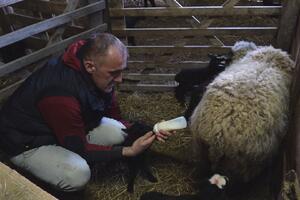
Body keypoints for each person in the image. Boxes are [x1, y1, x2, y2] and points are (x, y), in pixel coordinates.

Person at [0, 33, 172, 192]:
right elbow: (77, 147)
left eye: (122, 70)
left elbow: (113, 112)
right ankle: (35, 173)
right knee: (78, 174)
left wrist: (151, 129)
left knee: (118, 130)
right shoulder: (61, 94)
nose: (120, 79)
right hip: (27, 142)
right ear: (90, 66)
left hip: (61, 128)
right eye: (114, 73)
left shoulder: (94, 64)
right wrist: (129, 151)